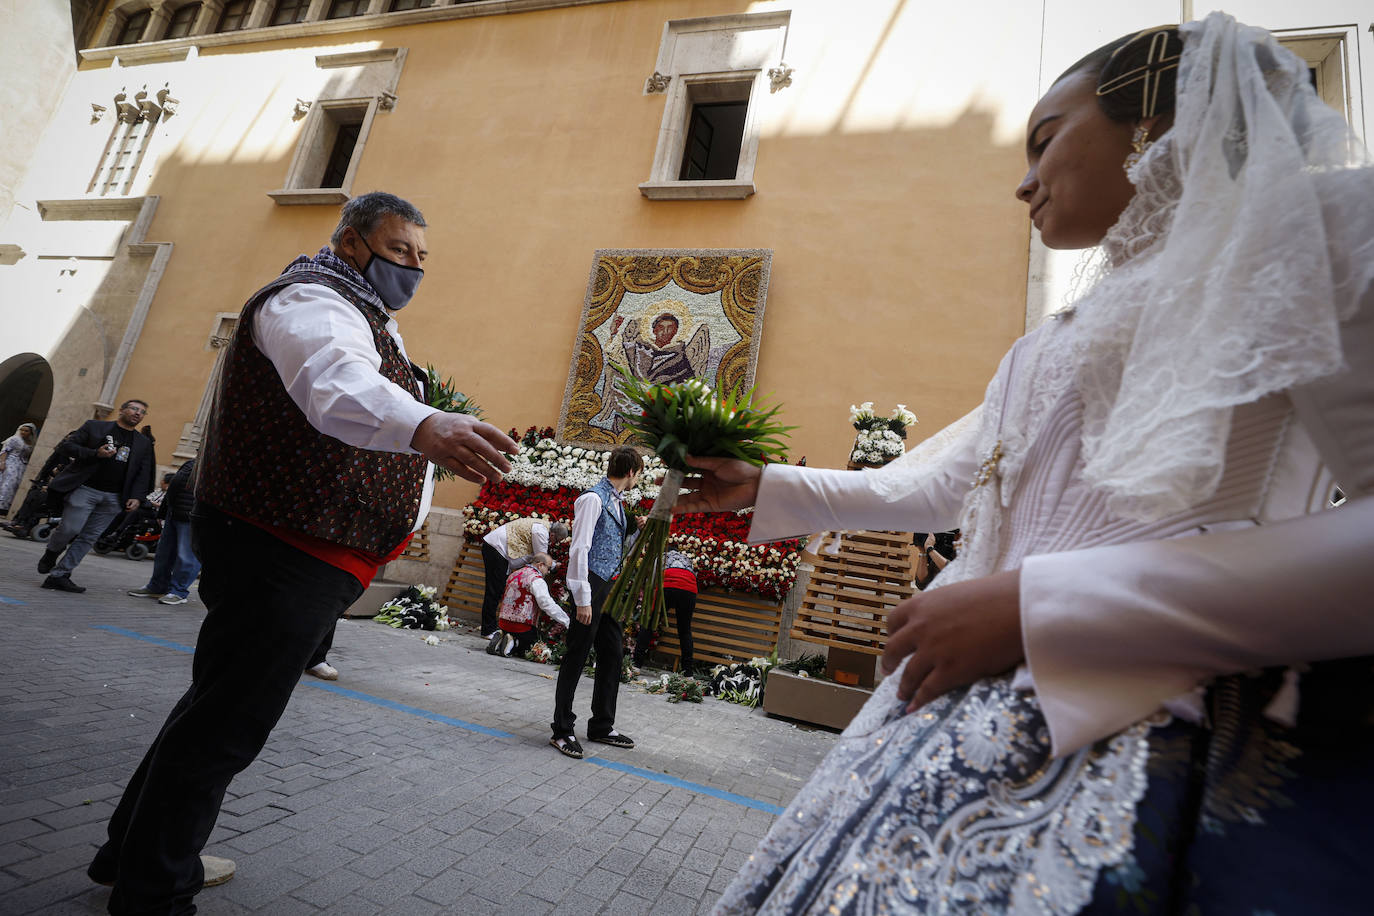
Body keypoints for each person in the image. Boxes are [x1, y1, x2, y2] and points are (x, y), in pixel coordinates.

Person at [681, 17, 1374, 913]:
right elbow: (940, 484)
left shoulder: (1318, 237)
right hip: (943, 719)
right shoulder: (1049, 341)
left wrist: (1040, 604)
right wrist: (767, 486)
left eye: (1045, 142)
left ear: (1152, 125)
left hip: (1146, 723)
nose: (1023, 181)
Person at [87, 191, 517, 915]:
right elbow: (333, 381)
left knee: (213, 708)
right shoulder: (311, 303)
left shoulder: (364, 312)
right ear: (352, 243)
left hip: (305, 551)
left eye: (420, 257)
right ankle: (154, 889)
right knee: (227, 725)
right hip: (282, 549)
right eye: (399, 251)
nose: (412, 268)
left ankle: (131, 850)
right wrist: (423, 424)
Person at [550, 445, 643, 759]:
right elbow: (580, 549)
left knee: (613, 651)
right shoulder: (592, 498)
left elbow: (615, 543)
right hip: (590, 584)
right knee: (577, 654)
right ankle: (562, 729)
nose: (637, 480)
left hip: (609, 587)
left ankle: (602, 724)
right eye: (638, 474)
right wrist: (582, 598)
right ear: (631, 472)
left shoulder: (617, 502)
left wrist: (638, 530)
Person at [37, 400, 156, 593]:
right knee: (69, 528)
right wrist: (95, 453)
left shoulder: (143, 443)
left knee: (89, 537)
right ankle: (52, 552)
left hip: (115, 498)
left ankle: (60, 575)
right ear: (122, 410)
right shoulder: (95, 427)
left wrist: (137, 497)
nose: (138, 414)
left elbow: (144, 472)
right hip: (85, 489)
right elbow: (66, 447)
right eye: (134, 409)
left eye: (142, 412)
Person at [479, 516, 570, 639]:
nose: (554, 543)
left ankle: (490, 627)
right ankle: (488, 630)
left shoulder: (542, 527)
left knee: (497, 589)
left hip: (497, 550)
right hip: (497, 549)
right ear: (553, 534)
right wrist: (554, 566)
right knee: (494, 590)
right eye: (556, 540)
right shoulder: (541, 532)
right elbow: (541, 557)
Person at [127, 460, 200, 606]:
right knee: (163, 553)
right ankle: (157, 586)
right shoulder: (190, 463)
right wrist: (163, 512)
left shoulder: (217, 463)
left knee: (187, 557)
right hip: (173, 514)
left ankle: (179, 592)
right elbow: (172, 489)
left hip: (192, 517)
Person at [631, 547, 698, 677]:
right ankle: (688, 673)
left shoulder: (661, 557)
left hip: (667, 586)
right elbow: (694, 577)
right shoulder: (686, 559)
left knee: (650, 624)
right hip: (689, 589)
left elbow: (652, 581)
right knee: (685, 631)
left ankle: (636, 665)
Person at [489, 552, 570, 657]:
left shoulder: (514, 574)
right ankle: (513, 644)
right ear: (540, 565)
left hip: (503, 622)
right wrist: (567, 621)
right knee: (530, 648)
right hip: (522, 627)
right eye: (548, 568)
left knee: (515, 633)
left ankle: (503, 637)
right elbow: (547, 604)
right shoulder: (536, 580)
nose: (548, 572)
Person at [0, 422, 37, 514]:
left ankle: (7, 507)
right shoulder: (14, 439)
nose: (23, 432)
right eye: (22, 430)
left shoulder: (30, 442)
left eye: (26, 431)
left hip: (21, 465)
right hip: (10, 462)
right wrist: (2, 463)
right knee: (8, 483)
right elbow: (4, 451)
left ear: (31, 433)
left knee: (16, 485)